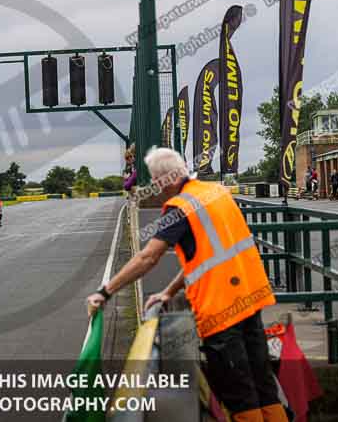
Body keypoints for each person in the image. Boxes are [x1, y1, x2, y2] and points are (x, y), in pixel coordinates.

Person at [86, 147, 285, 422]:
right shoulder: (216, 193)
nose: (154, 187)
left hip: (222, 311)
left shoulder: (179, 208)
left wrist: (105, 291)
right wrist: (168, 291)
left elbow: (147, 257)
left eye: (155, 180)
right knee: (265, 389)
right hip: (250, 300)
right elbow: (206, 259)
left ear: (166, 178)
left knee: (240, 396)